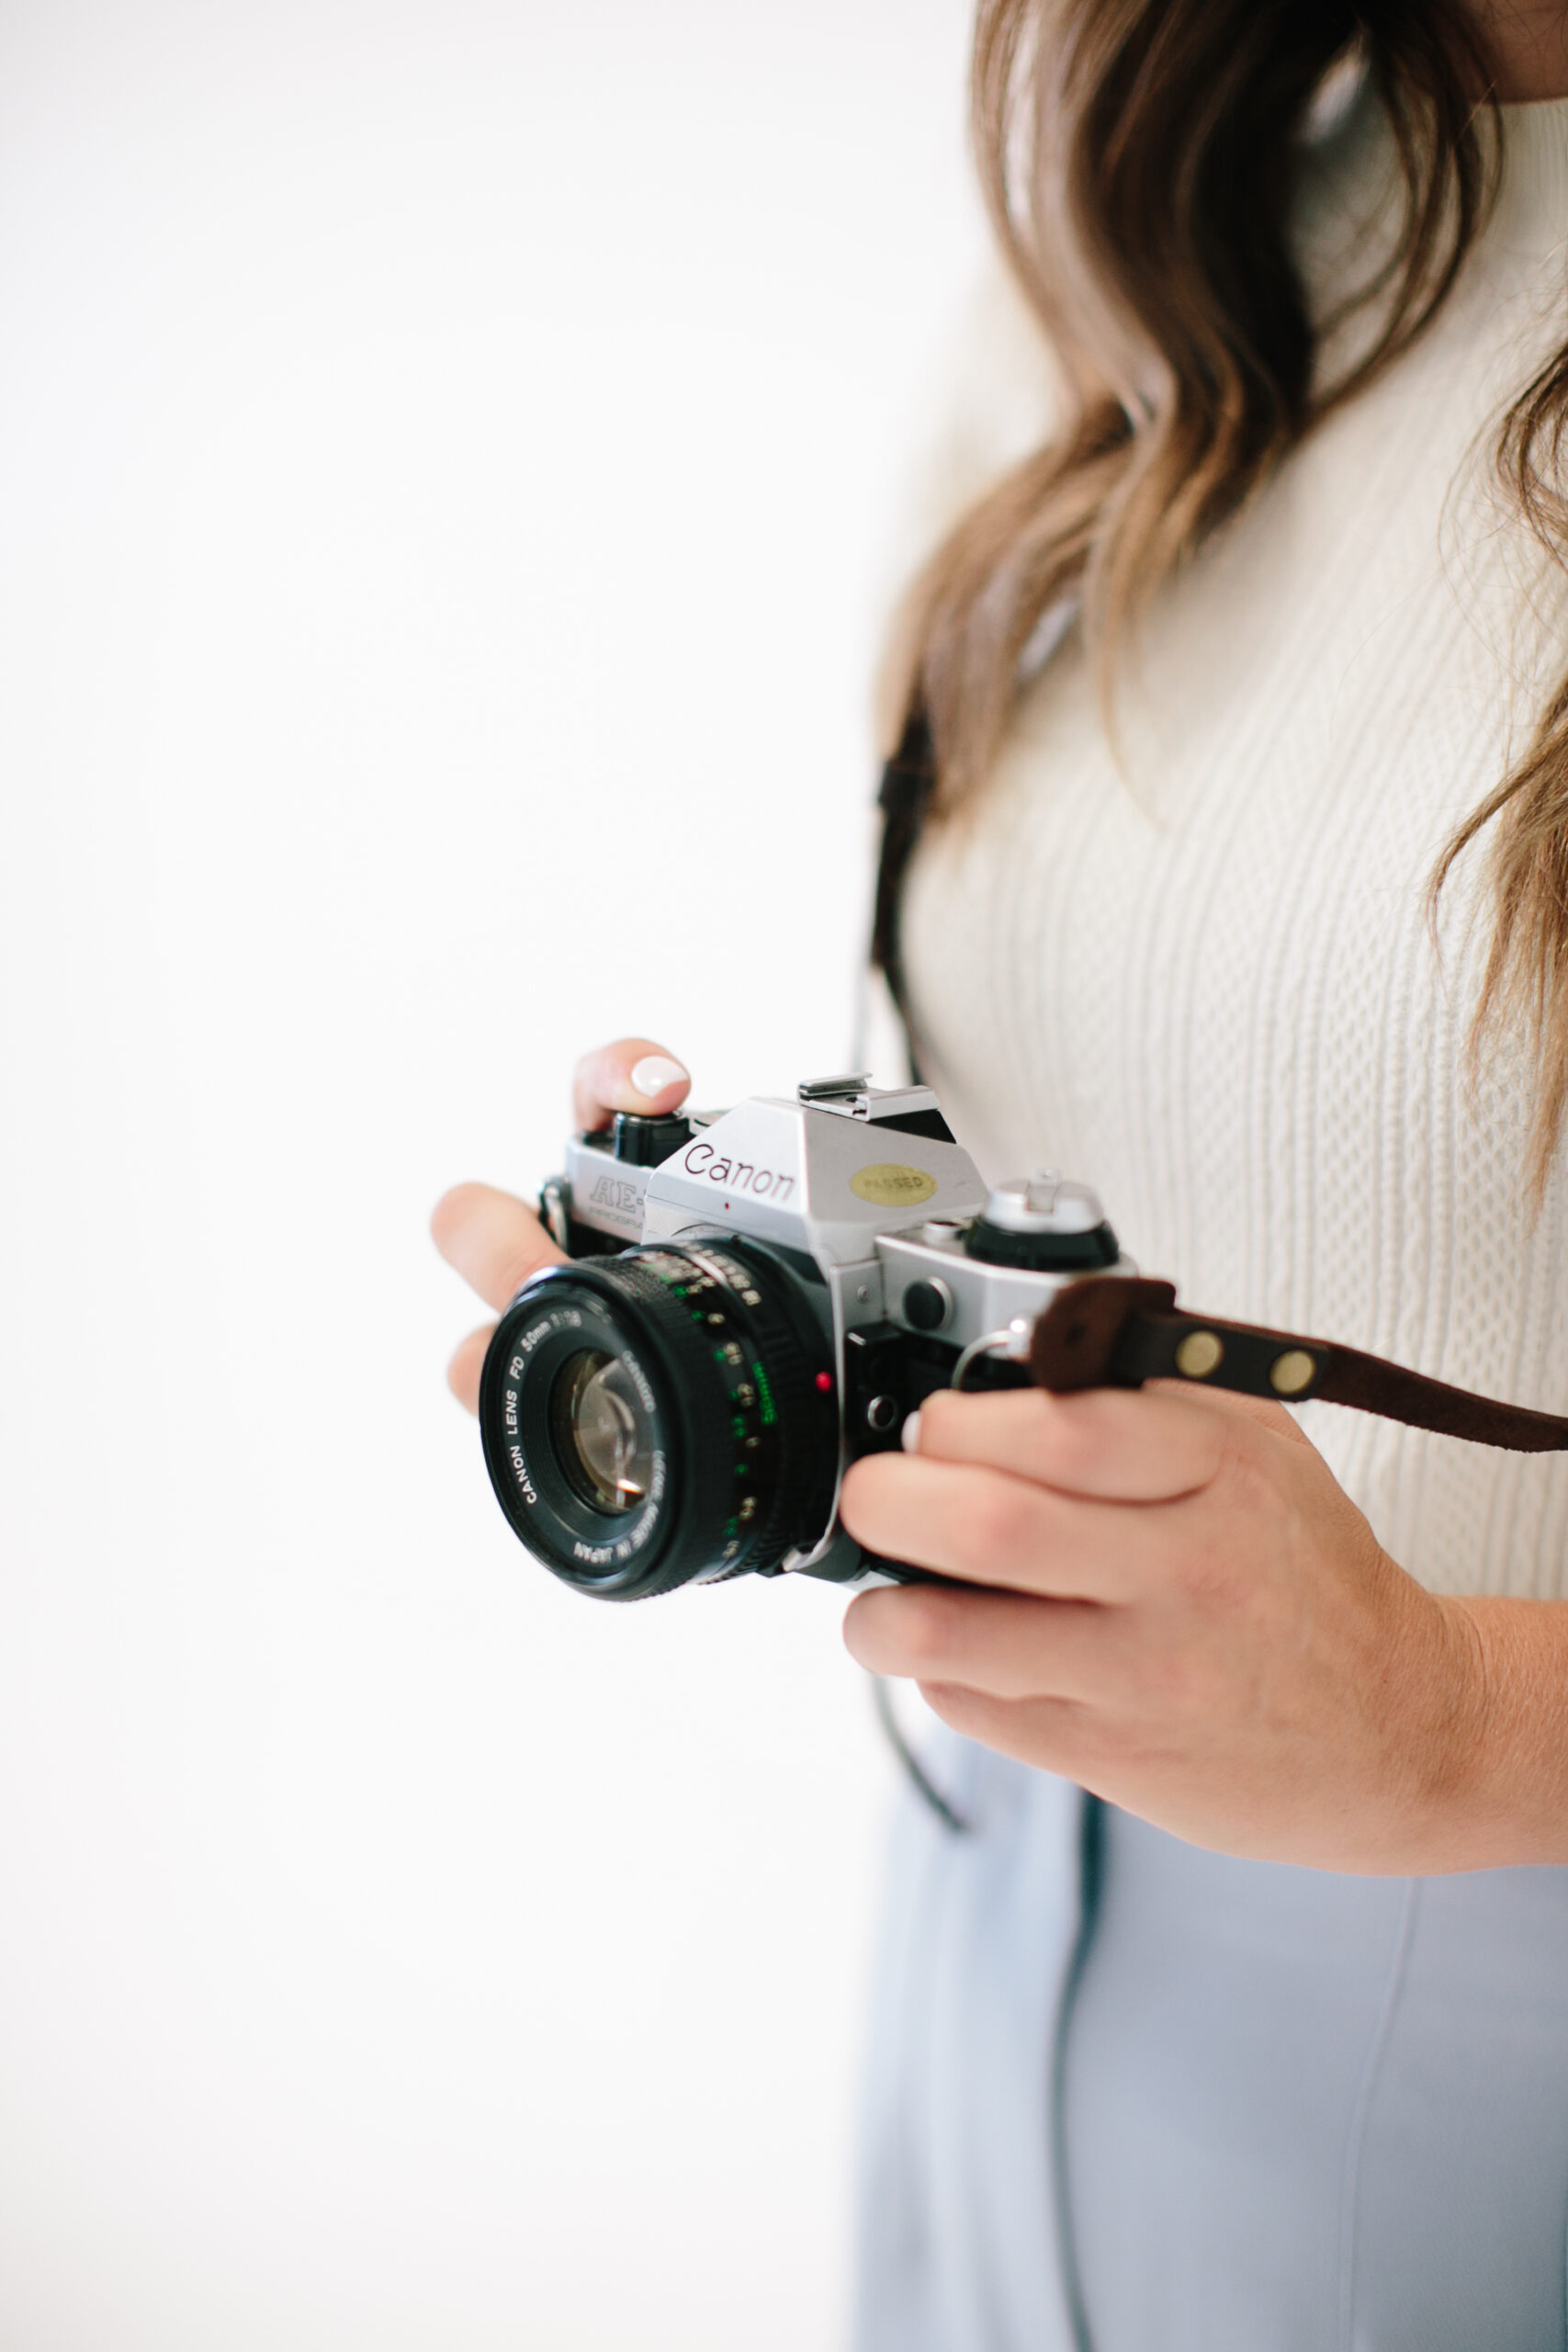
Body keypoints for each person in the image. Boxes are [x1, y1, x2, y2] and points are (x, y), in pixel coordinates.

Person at [434, 3, 1568, 2345]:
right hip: (991, 1897)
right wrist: (732, 1255)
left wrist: (1457, 1718)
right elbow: (1109, 1087)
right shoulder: (1126, 263)